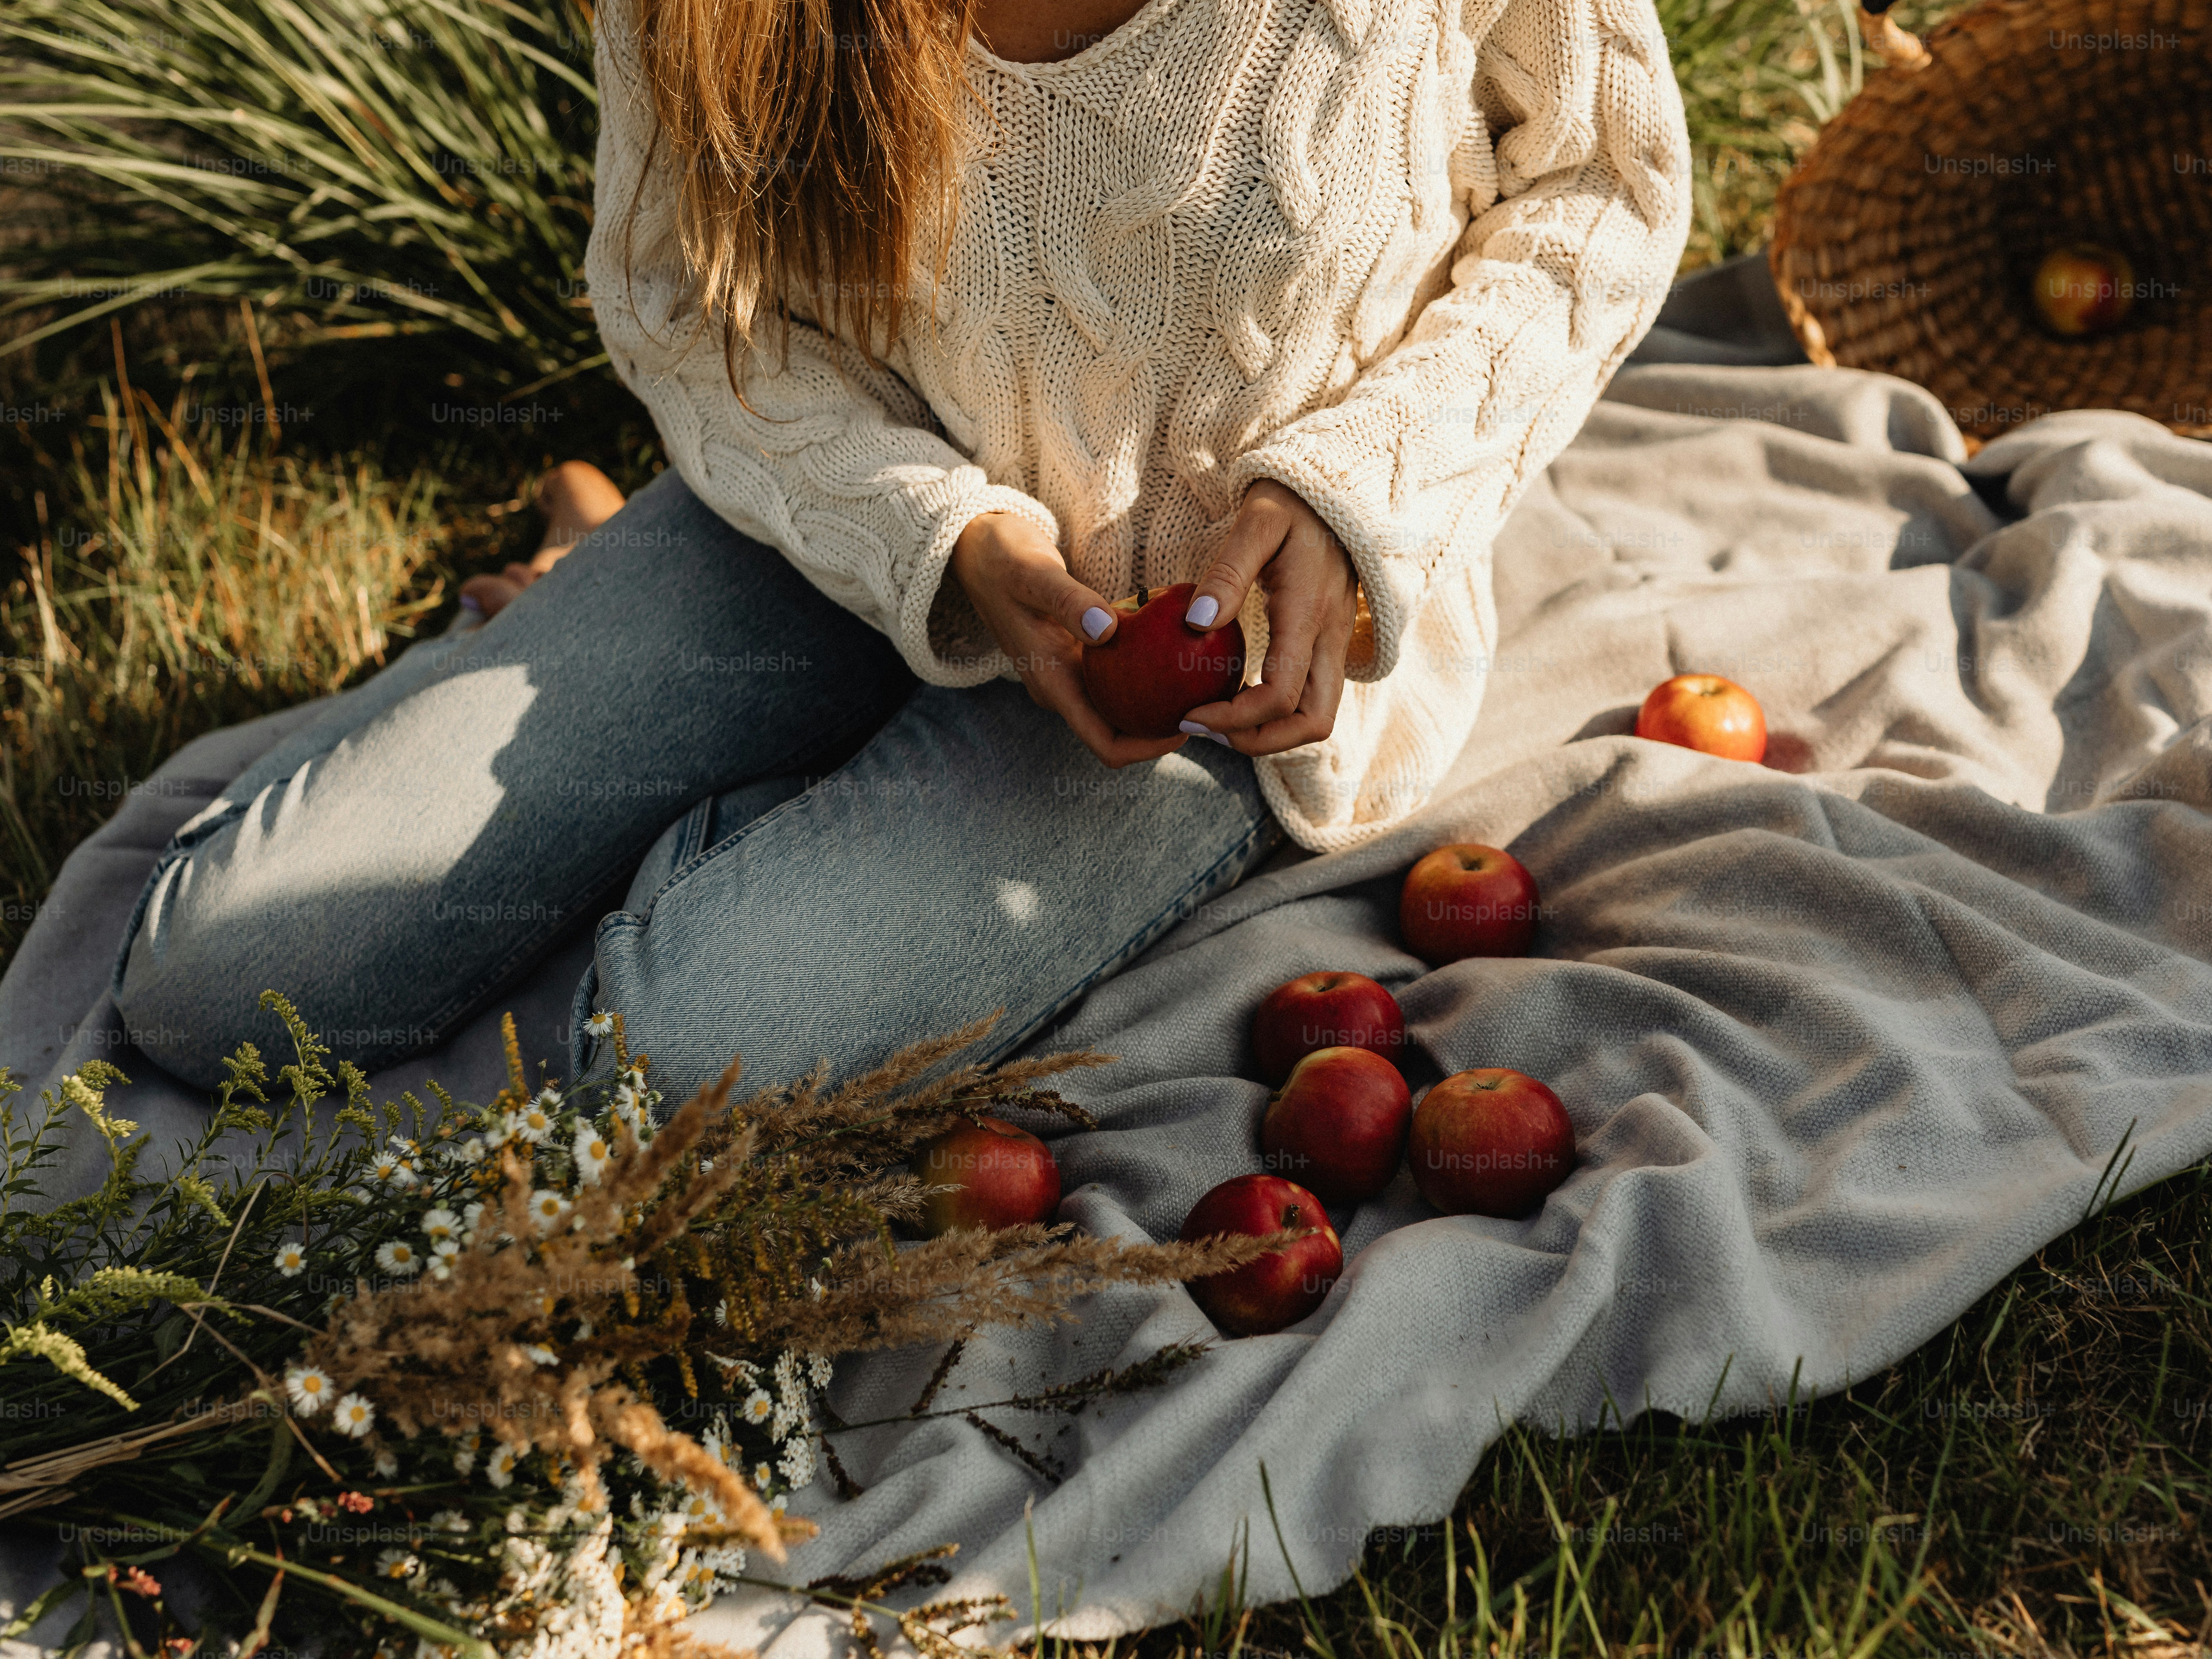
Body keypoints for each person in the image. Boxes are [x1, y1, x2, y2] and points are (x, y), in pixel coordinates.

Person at [113, 0, 1690, 1096]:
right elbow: (686, 308)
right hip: (844, 520)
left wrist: (1359, 492)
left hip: (1215, 646)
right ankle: (674, 648)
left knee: (681, 1062)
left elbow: (1603, 189)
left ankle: (659, 677)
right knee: (219, 981)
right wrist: (946, 546)